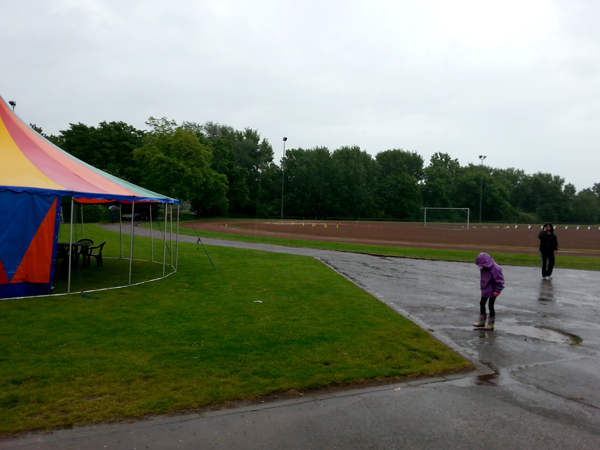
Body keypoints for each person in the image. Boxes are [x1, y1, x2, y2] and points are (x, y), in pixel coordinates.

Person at [473, 252, 505, 330]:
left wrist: (497, 290)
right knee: (482, 303)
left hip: (493, 290)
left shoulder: (495, 268)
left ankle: (491, 324)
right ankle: (482, 321)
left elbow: (499, 281)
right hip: (485, 289)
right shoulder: (484, 268)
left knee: (491, 305)